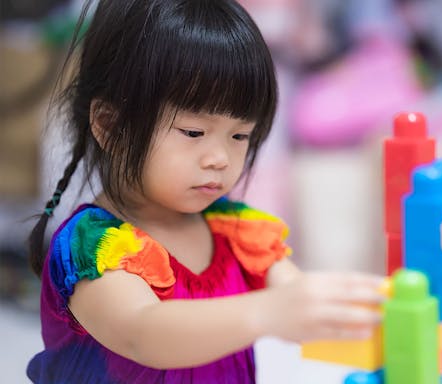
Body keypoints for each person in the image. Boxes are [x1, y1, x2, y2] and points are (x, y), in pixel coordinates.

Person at [26, 1, 384, 383]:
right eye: (194, 133)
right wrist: (268, 312)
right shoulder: (94, 248)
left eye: (239, 136)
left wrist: (359, 307)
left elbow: (298, 296)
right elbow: (143, 333)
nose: (220, 158)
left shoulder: (234, 230)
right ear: (111, 125)